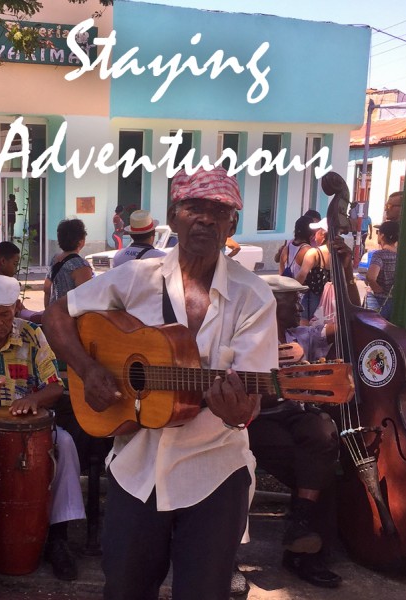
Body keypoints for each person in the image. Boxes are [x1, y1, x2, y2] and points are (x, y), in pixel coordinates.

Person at [42, 166, 278, 600]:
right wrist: (87, 368)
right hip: (137, 467)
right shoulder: (136, 278)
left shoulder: (253, 297)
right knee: (125, 590)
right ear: (173, 215)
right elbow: (56, 314)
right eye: (194, 207)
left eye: (219, 211)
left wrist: (238, 412)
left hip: (215, 472)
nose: (206, 219)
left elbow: (249, 404)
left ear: (232, 224)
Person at [0, 274, 85, 581]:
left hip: (28, 432)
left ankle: (58, 538)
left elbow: (55, 387)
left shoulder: (33, 335)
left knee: (66, 445)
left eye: (5, 314)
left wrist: (34, 399)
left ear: (16, 308)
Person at [245, 275, 342, 589]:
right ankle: (304, 554)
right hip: (259, 419)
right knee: (318, 472)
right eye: (293, 301)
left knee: (325, 436)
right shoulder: (248, 339)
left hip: (296, 413)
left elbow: (341, 326)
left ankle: (299, 528)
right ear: (271, 304)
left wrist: (307, 363)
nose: (301, 305)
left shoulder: (301, 334)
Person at [43, 218, 92, 307]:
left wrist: (48, 313)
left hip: (53, 316)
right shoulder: (81, 266)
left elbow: (47, 290)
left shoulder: (55, 259)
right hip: (69, 318)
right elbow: (85, 299)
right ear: (81, 241)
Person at [296, 217, 331, 325]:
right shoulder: (338, 253)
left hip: (313, 299)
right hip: (331, 300)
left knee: (307, 326)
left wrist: (291, 291)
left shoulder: (314, 253)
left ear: (322, 234)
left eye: (316, 232)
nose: (313, 235)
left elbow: (301, 276)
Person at [365, 220, 399, 320]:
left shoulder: (379, 254)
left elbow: (371, 277)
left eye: (378, 232)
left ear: (382, 236)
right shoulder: (400, 255)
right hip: (393, 301)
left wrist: (377, 289)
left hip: (378, 300)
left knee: (373, 331)